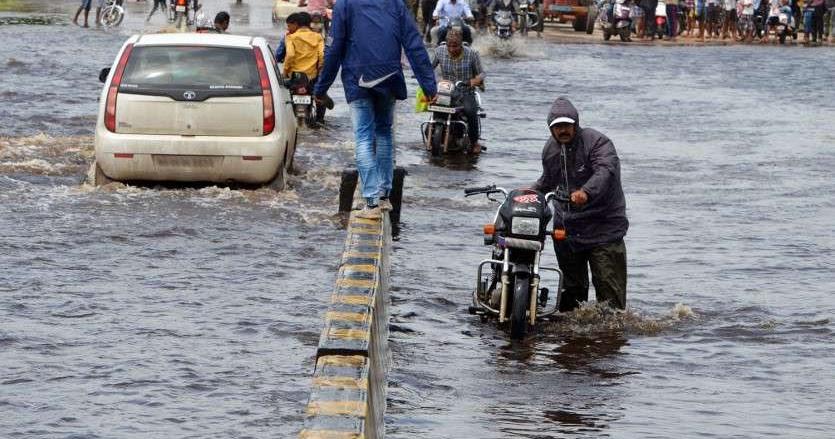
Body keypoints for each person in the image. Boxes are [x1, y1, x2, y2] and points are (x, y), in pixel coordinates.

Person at [314, 0, 437, 219]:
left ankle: (370, 203)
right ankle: (383, 196)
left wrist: (321, 87)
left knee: (363, 137)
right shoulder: (396, 4)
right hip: (389, 76)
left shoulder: (345, 4)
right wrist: (428, 84)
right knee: (384, 132)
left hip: (357, 78)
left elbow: (333, 49)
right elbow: (413, 43)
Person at [532, 97, 629, 312]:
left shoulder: (597, 142)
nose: (563, 130)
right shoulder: (550, 150)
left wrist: (586, 192)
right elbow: (547, 181)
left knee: (609, 296)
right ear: (551, 129)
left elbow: (606, 171)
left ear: (576, 124)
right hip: (567, 231)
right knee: (571, 297)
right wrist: (526, 194)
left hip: (603, 229)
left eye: (567, 125)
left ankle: (610, 340)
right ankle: (573, 342)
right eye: (557, 126)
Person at [431, 30, 485, 154]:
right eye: (449, 46)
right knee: (435, 108)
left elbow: (482, 73)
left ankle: (474, 142)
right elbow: (430, 67)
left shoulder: (472, 54)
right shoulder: (439, 51)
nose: (451, 49)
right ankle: (434, 130)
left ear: (461, 44)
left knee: (471, 112)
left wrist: (474, 80)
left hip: (465, 90)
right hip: (445, 89)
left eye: (455, 46)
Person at [284, 12, 330, 124]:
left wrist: (285, 71)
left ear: (297, 24)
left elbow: (290, 55)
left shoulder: (291, 37)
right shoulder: (318, 37)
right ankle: (319, 120)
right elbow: (322, 55)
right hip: (312, 76)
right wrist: (319, 69)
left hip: (296, 77)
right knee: (320, 95)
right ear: (309, 23)